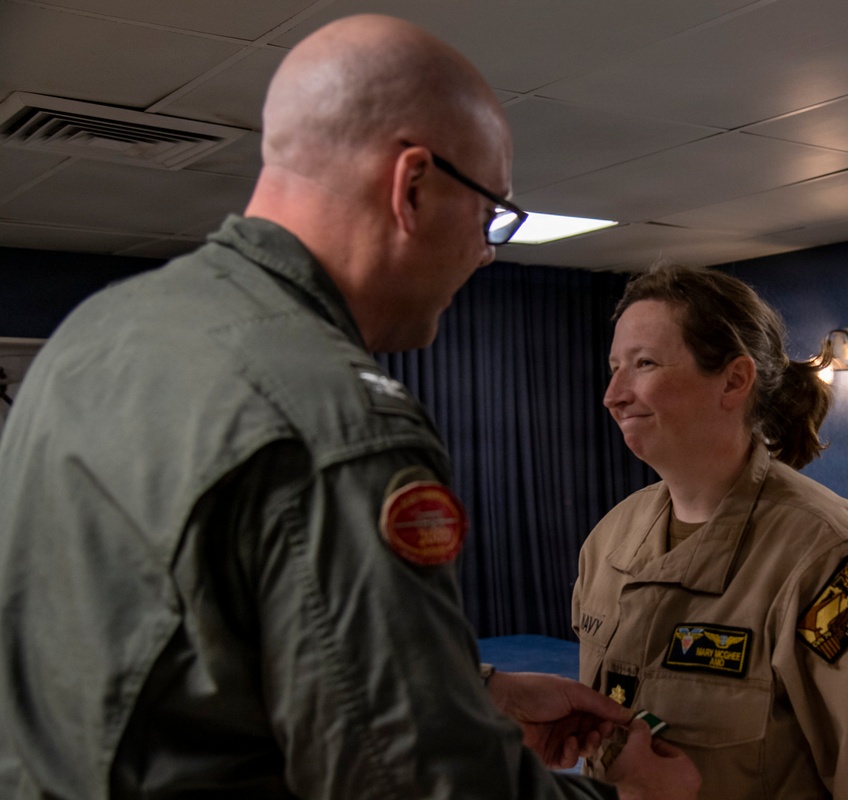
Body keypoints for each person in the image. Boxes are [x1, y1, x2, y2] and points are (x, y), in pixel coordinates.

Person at [0, 13, 702, 800]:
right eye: (488, 216)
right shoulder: (334, 420)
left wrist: (475, 688)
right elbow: (414, 783)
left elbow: (160, 634)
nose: (483, 251)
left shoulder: (94, 336)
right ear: (411, 186)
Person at [573, 265, 848, 798]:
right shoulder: (608, 542)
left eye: (644, 364)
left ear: (735, 380)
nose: (613, 395)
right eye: (614, 368)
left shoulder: (827, 556)